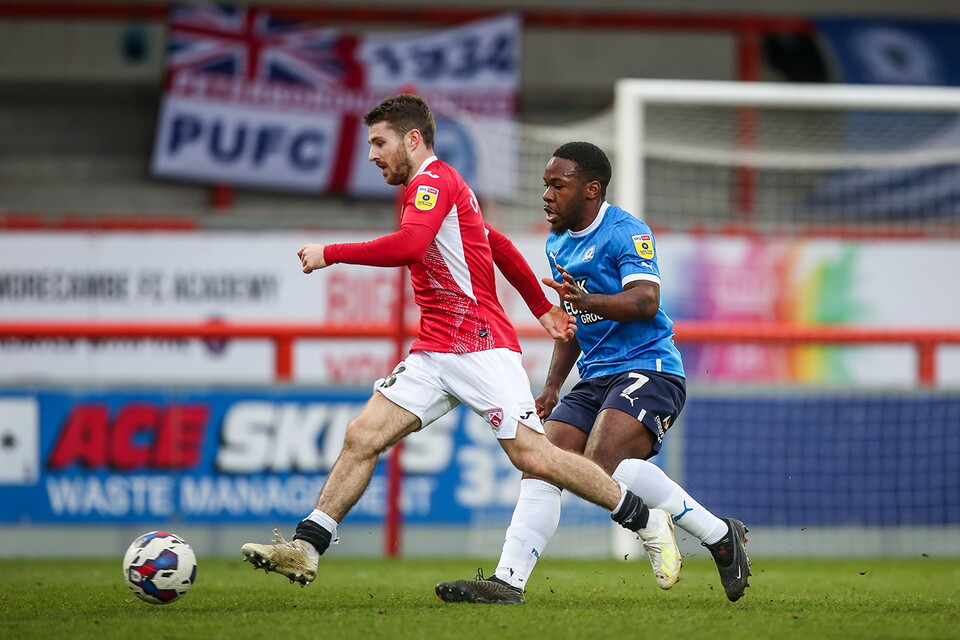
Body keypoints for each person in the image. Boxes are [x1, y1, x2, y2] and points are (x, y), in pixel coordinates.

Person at [240, 97, 675, 590]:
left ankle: (642, 517)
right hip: (435, 351)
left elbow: (407, 246)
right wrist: (544, 310)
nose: (371, 155)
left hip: (480, 347)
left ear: (411, 139)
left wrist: (329, 253)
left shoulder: (431, 182)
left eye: (378, 143)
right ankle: (306, 547)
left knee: (535, 458)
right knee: (363, 435)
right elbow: (501, 247)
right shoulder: (443, 189)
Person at [435, 142, 751, 605]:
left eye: (556, 185)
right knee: (542, 462)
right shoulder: (557, 243)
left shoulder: (627, 232)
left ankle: (698, 531)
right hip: (596, 376)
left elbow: (646, 302)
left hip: (650, 367)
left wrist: (589, 303)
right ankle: (508, 582)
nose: (546, 195)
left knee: (602, 467)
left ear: (591, 189)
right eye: (545, 185)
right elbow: (572, 326)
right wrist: (551, 385)